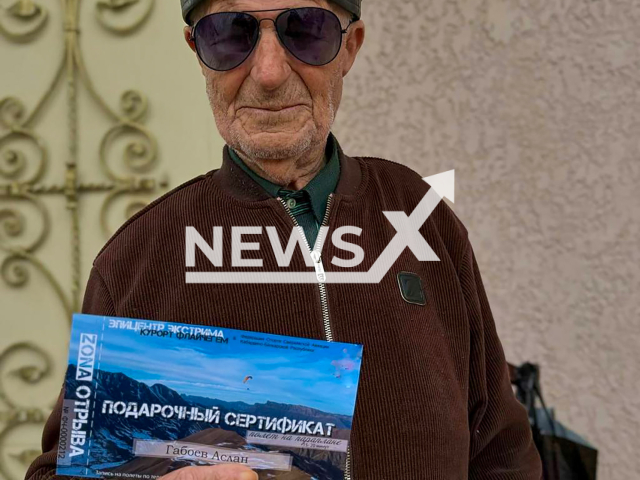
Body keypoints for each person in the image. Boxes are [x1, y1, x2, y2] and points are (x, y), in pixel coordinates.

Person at [26, 0, 543, 479]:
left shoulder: (418, 215)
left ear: (351, 47)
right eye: (231, 34)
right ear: (197, 53)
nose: (269, 73)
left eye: (306, 31)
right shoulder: (140, 257)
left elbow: (500, 448)